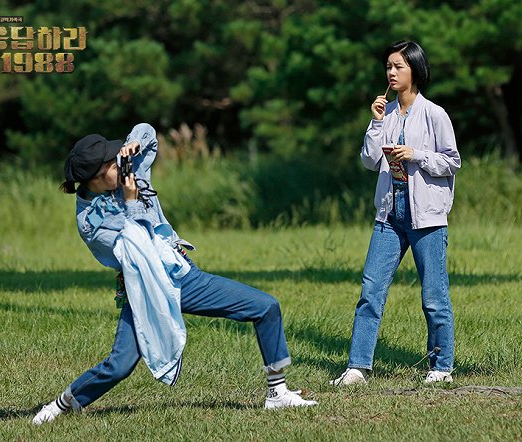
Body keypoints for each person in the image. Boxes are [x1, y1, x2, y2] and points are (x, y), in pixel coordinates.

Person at [32, 123, 317, 425]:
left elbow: (148, 133)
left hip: (183, 274)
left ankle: (278, 393)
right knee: (120, 364)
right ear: (95, 178)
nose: (120, 164)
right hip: (145, 287)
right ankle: (63, 404)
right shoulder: (90, 223)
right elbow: (139, 248)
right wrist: (130, 203)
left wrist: (130, 145)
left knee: (266, 306)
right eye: (112, 163)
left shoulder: (129, 171)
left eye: (118, 157)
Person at [330, 41, 461, 386]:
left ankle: (441, 366)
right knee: (370, 292)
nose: (391, 72)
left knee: (434, 295)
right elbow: (369, 161)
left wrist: (415, 153)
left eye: (398, 66)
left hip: (426, 218)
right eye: (388, 66)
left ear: (414, 71)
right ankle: (357, 367)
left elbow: (452, 162)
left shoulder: (434, 114)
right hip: (389, 215)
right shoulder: (385, 114)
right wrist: (374, 124)